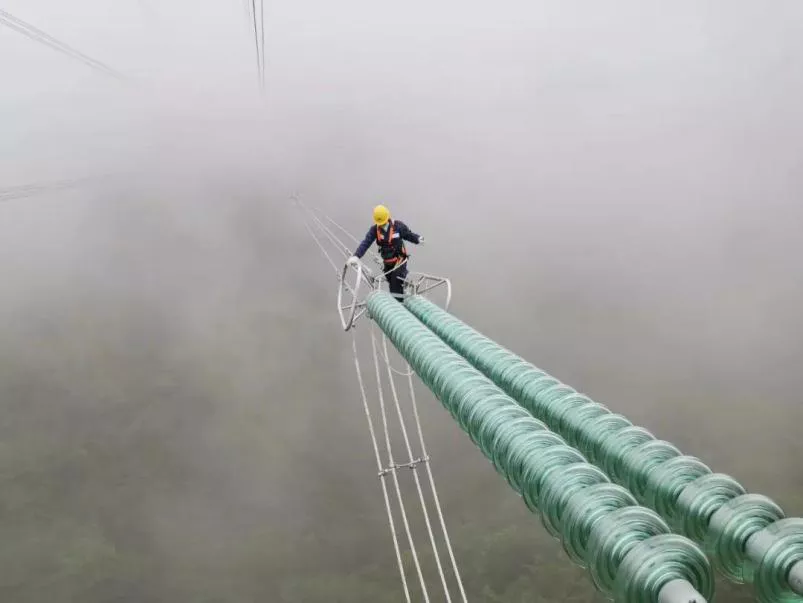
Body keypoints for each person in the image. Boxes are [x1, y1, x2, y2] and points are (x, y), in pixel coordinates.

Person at [349, 205, 424, 301]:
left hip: (399, 261)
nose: (382, 225)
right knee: (391, 281)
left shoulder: (398, 226)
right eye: (380, 223)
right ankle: (403, 292)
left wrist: (418, 239)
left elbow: (408, 234)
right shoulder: (374, 230)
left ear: (388, 217)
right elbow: (366, 243)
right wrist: (356, 256)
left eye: (383, 222)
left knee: (395, 283)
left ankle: (400, 307)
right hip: (387, 263)